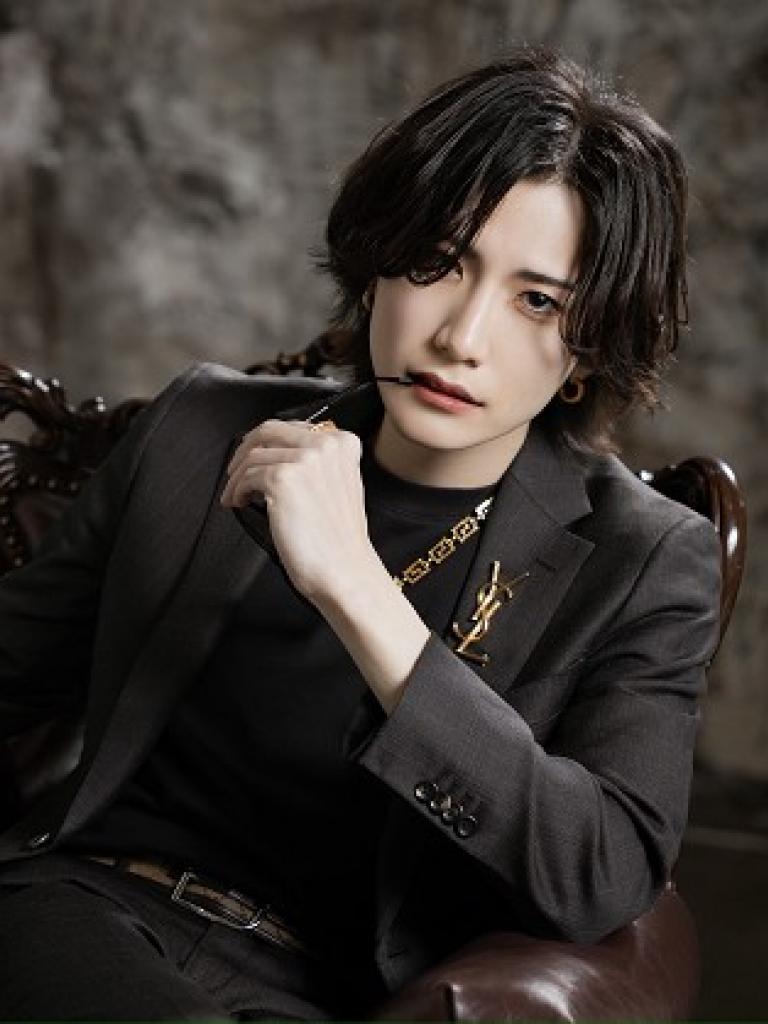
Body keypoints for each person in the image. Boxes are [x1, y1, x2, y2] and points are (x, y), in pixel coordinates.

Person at [0, 45, 720, 1021]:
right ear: (378, 266)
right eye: (438, 263)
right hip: (85, 914)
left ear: (590, 349)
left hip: (336, 995)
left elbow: (602, 872)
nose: (461, 337)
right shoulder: (200, 429)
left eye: (537, 301)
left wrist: (357, 589)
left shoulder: (647, 559)